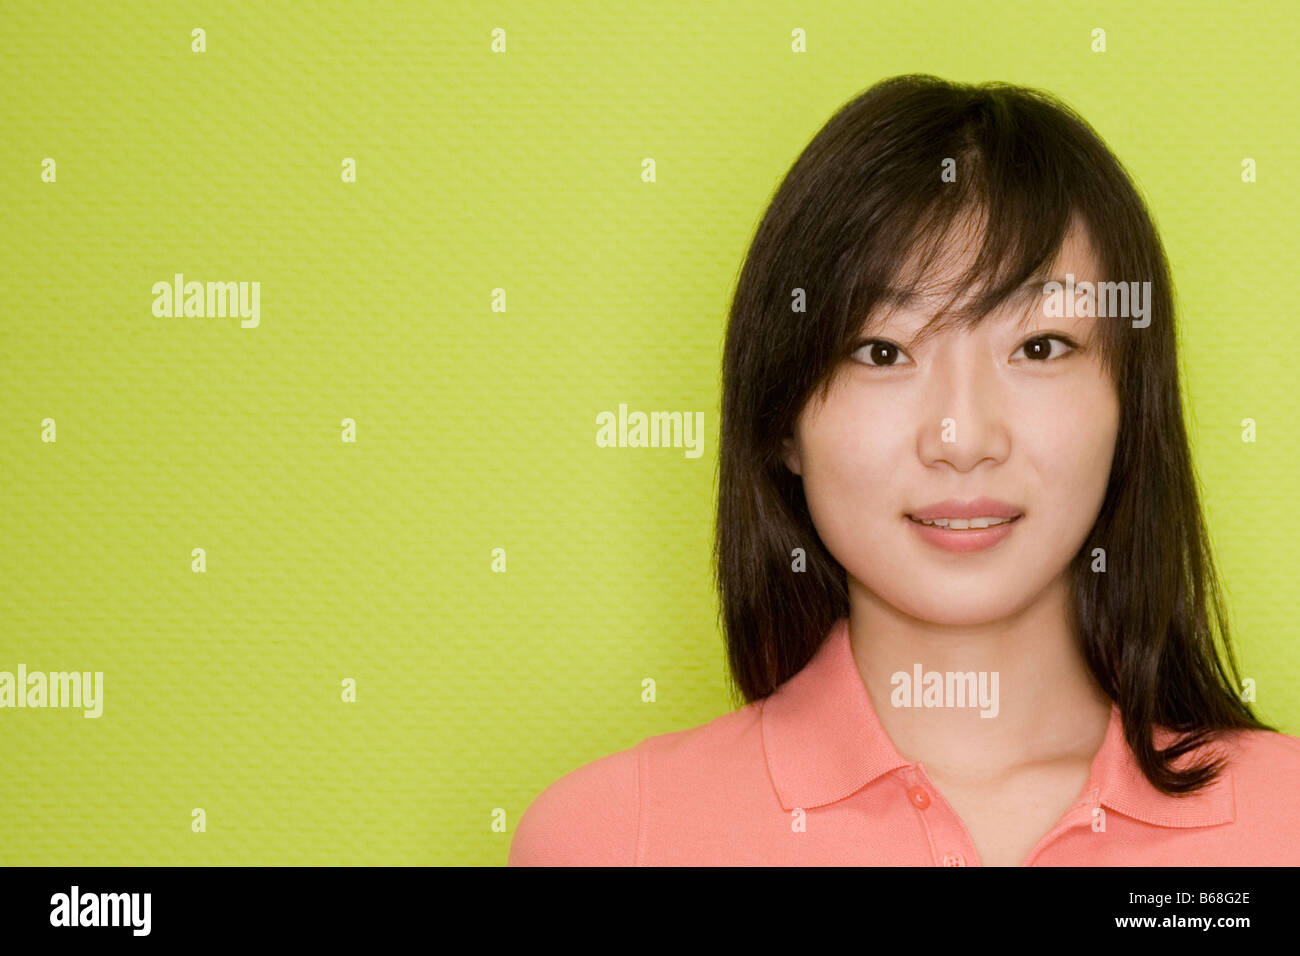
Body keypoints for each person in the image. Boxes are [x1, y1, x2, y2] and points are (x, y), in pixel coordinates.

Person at [508, 74, 1300, 866]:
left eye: (1039, 346)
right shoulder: (611, 838)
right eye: (882, 351)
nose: (961, 438)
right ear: (782, 420)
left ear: (1131, 404)